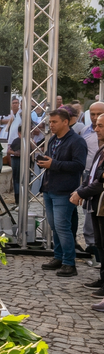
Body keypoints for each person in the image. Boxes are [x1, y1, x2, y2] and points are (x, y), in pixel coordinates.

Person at [38, 108, 87, 277]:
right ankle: (58, 257)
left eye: (54, 122)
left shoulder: (77, 141)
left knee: (62, 226)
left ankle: (69, 262)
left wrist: (54, 164)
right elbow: (50, 159)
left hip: (65, 190)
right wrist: (43, 161)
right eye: (50, 122)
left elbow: (79, 165)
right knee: (55, 227)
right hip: (49, 187)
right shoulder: (52, 140)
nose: (51, 125)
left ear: (65, 122)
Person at [73, 114, 104, 298]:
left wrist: (81, 193)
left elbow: (101, 182)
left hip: (102, 202)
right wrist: (81, 188)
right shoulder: (101, 150)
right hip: (97, 203)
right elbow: (92, 175)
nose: (96, 129)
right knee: (100, 243)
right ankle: (102, 278)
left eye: (100, 125)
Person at [81, 102, 104, 256]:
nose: (95, 121)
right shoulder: (85, 131)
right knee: (89, 213)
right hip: (89, 174)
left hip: (99, 183)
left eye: (100, 125)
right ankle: (93, 244)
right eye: (92, 115)